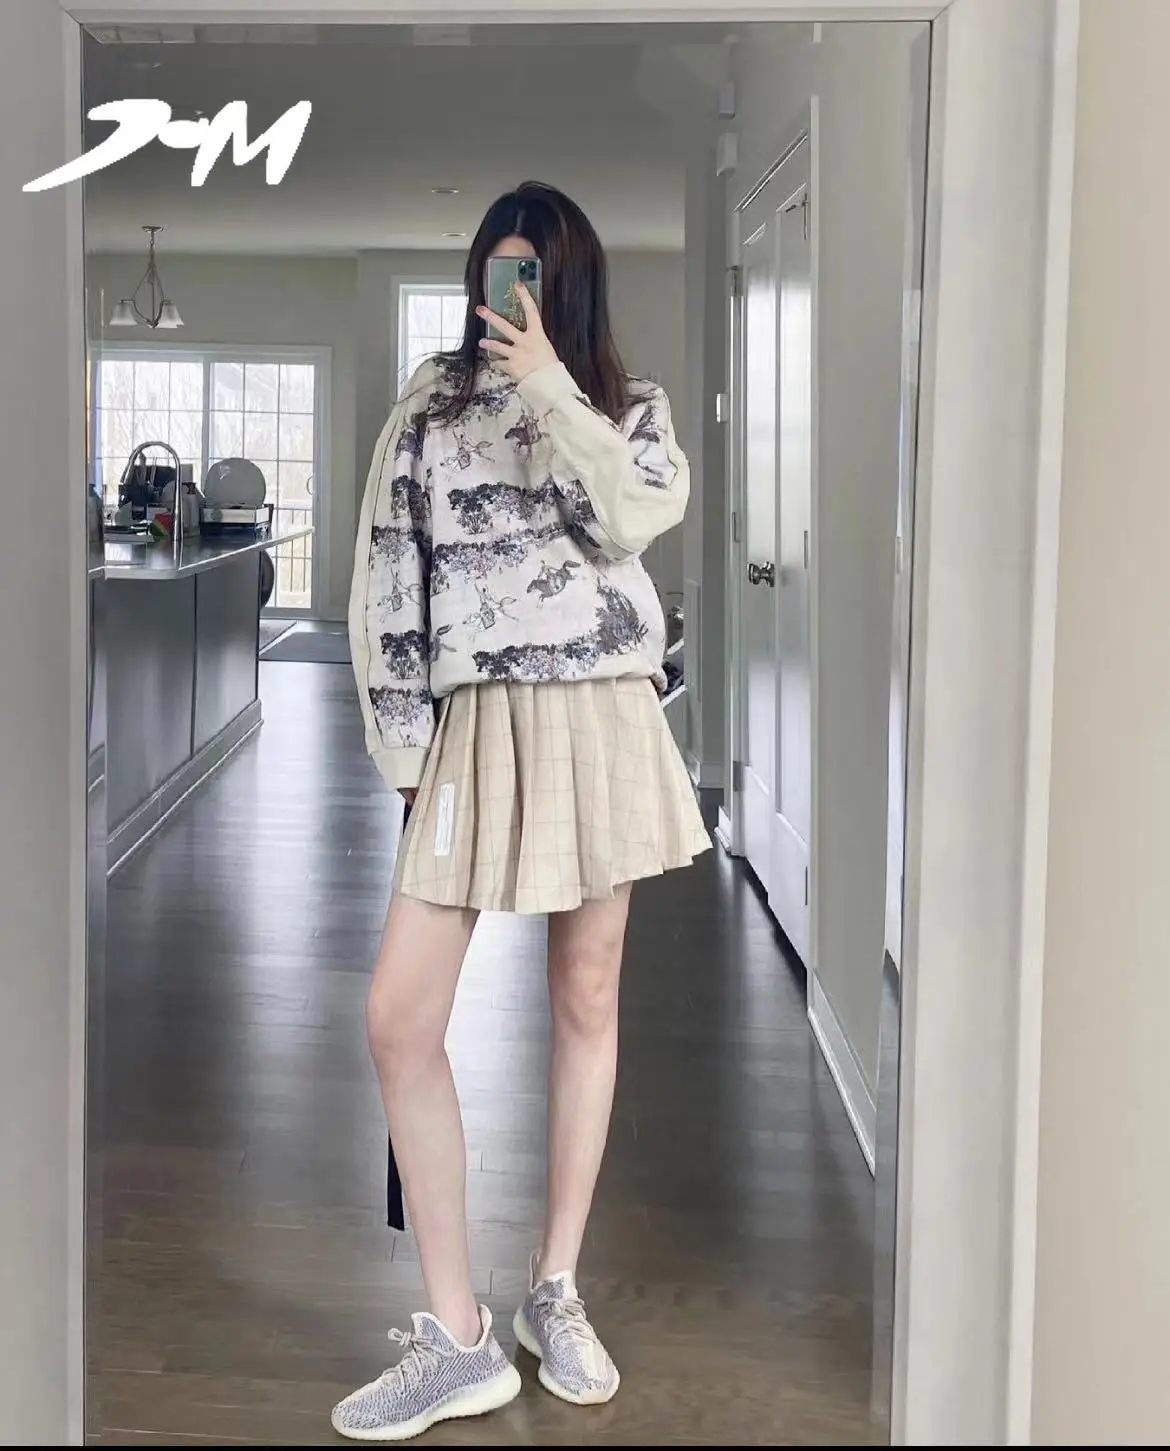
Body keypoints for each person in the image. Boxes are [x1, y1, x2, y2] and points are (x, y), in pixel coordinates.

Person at [332, 181, 710, 1443]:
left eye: (534, 275)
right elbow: (389, 575)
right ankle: (458, 1336)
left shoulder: (629, 407)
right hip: (475, 722)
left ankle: (556, 1286)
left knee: (586, 996)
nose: (512, 297)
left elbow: (634, 515)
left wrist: (550, 383)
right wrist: (401, 745)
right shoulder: (429, 410)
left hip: (602, 713)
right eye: (498, 273)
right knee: (400, 1015)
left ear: (570, 285)